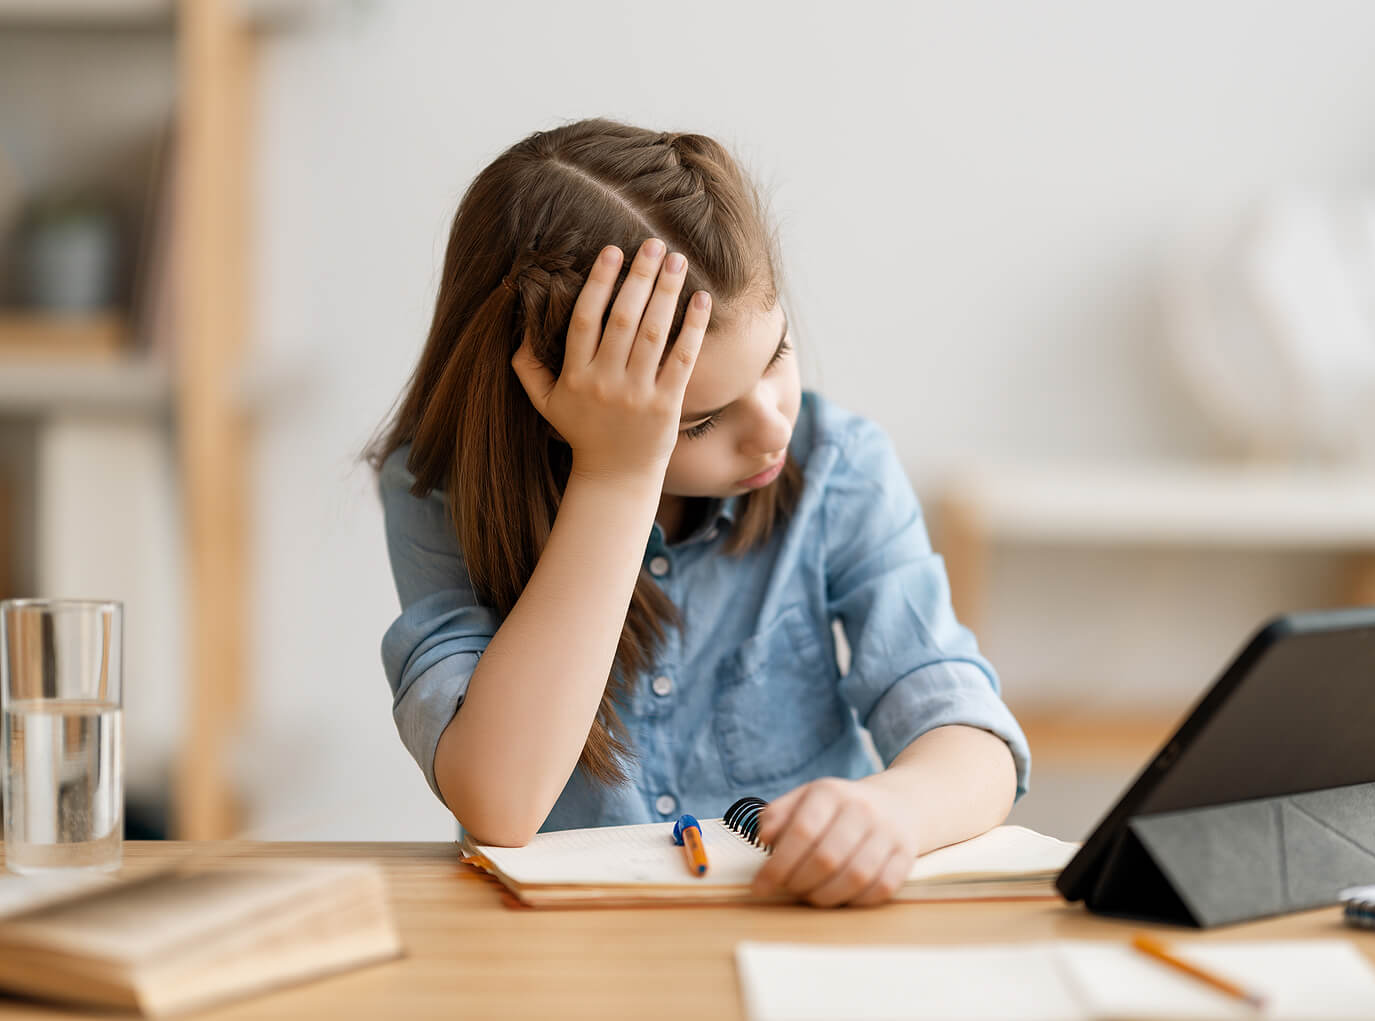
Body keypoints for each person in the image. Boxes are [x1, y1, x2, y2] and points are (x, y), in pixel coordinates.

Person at [368, 117, 1030, 907]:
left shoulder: (839, 466)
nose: (773, 426)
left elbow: (968, 730)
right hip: (577, 957)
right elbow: (500, 800)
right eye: (701, 421)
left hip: (801, 932)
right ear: (546, 409)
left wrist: (894, 807)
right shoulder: (441, 491)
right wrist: (616, 476)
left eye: (777, 353)